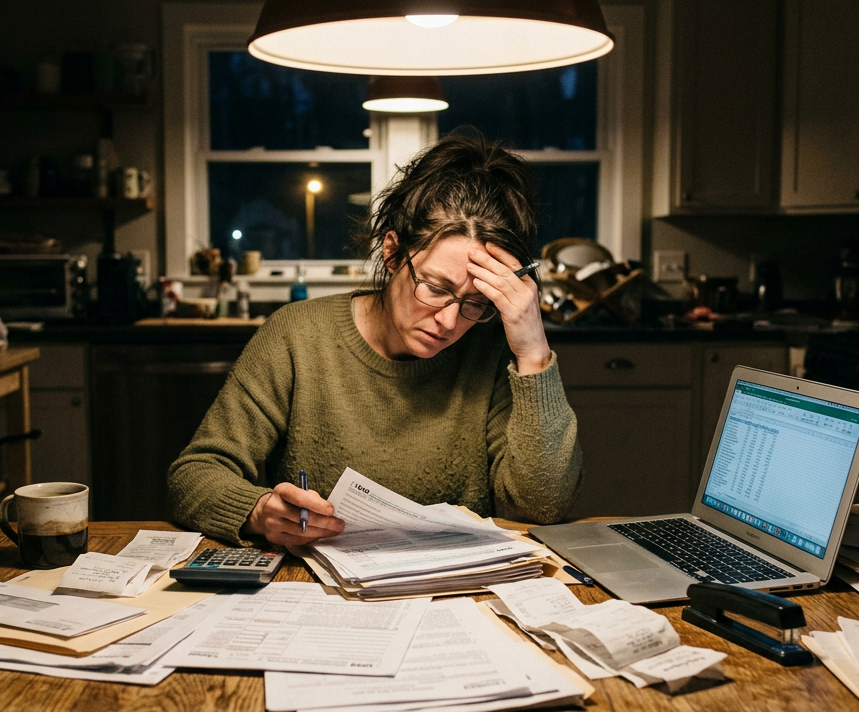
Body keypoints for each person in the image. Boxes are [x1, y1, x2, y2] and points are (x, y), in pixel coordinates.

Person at [168, 129, 582, 546]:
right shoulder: (297, 334)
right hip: (320, 590)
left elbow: (542, 507)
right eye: (436, 288)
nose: (449, 320)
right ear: (392, 251)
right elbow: (195, 475)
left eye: (476, 302)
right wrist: (258, 511)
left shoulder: (493, 347)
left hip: (456, 591)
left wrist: (532, 352)